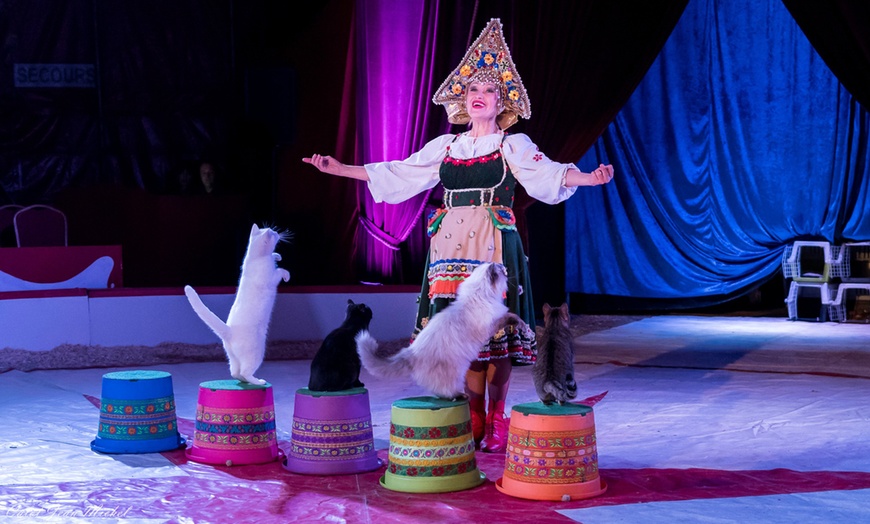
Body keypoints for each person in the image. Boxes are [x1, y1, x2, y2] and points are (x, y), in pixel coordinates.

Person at [303, 19, 613, 453]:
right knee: (459, 333)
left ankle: (499, 417)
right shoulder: (446, 147)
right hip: (448, 246)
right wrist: (341, 169)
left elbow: (548, 174)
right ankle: (474, 415)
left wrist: (589, 179)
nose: (478, 95)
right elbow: (399, 171)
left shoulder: (512, 145)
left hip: (493, 242)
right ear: (464, 103)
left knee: (494, 336)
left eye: (487, 89)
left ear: (500, 100)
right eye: (471, 90)